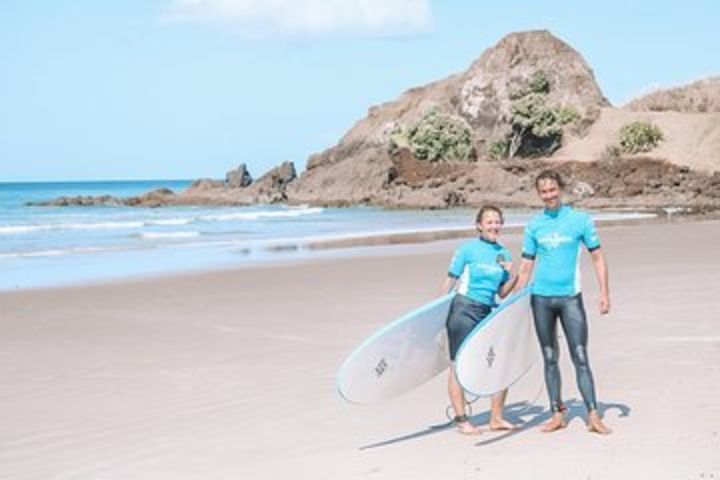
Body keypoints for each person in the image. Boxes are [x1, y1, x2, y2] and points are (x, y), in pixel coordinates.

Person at [515, 169, 612, 435]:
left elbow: (598, 258)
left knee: (580, 355)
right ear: (539, 194)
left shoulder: (579, 220)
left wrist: (604, 293)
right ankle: (557, 412)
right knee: (549, 357)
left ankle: (593, 415)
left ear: (560, 189)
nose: (549, 195)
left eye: (552, 190)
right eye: (543, 192)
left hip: (570, 298)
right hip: (541, 299)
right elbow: (525, 267)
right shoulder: (534, 226)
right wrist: (510, 299)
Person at [442, 205, 518, 435]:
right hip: (463, 309)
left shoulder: (504, 254)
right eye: (489, 222)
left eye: (497, 222)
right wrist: (436, 313)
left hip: (487, 311)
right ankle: (461, 419)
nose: (494, 226)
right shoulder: (467, 250)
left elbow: (502, 293)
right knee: (458, 365)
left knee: (501, 361)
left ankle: (496, 417)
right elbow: (450, 282)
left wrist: (512, 274)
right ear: (479, 225)